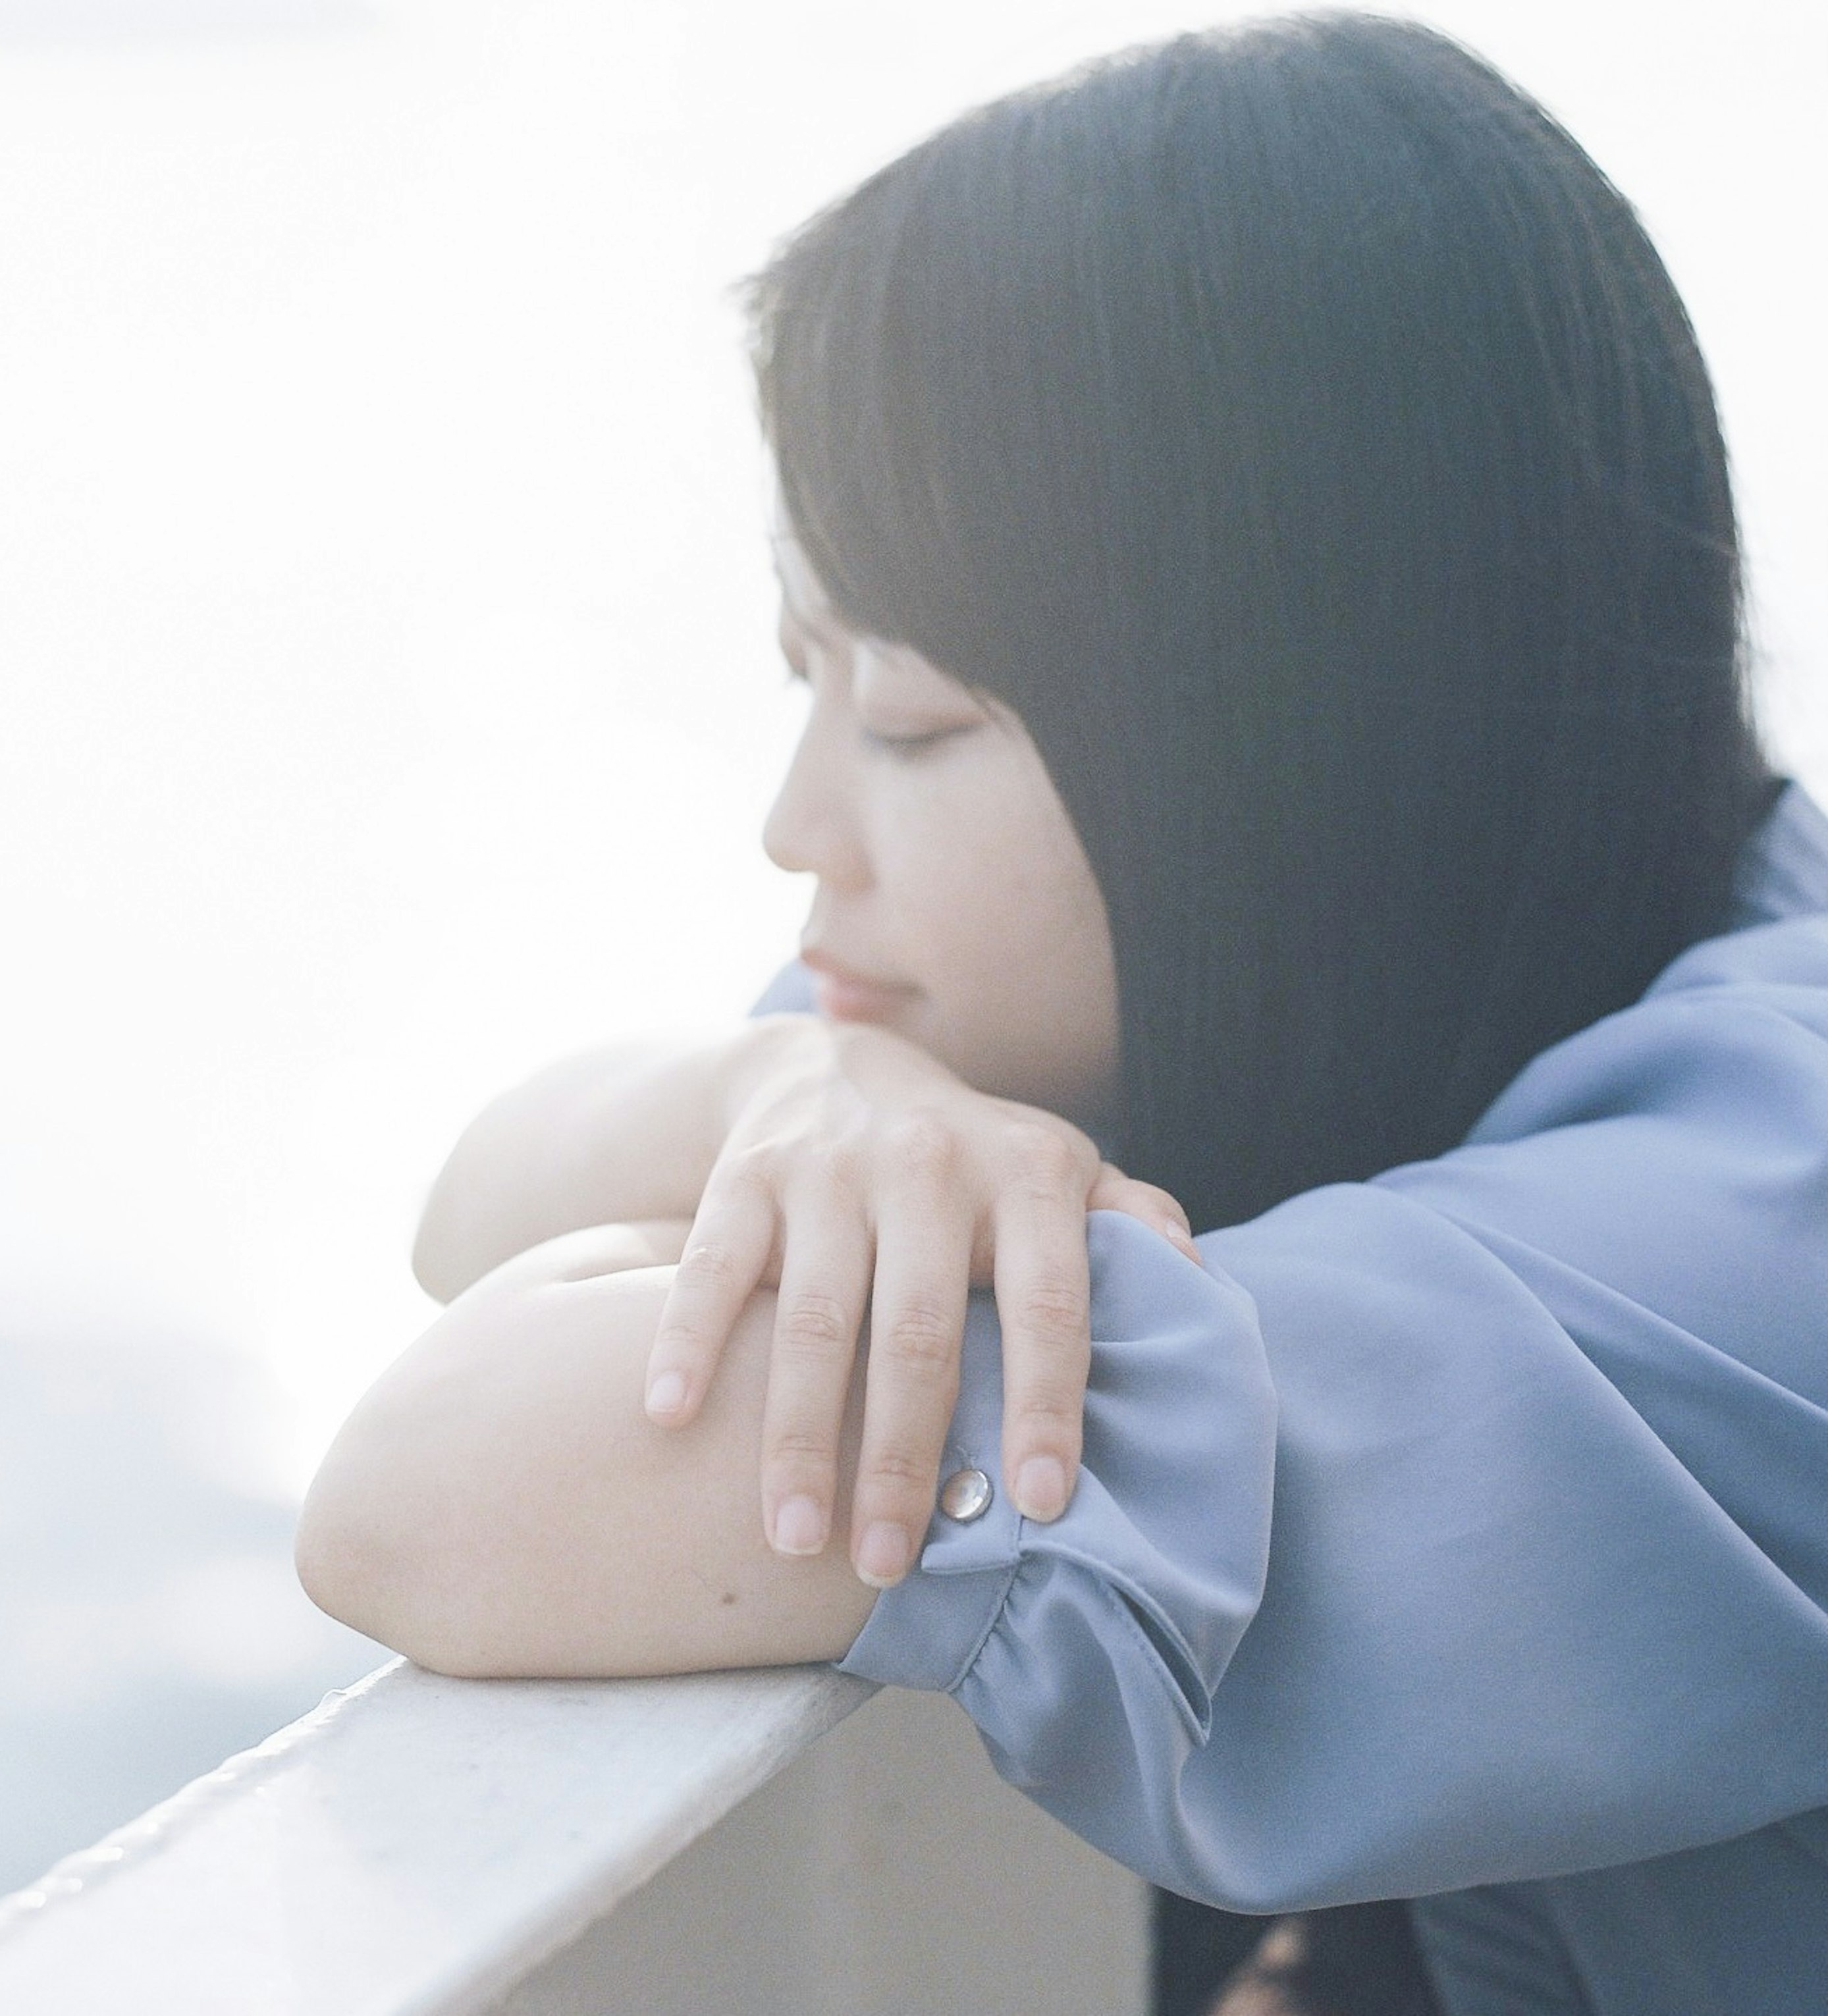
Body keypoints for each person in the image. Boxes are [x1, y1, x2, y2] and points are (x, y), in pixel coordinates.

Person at [294, 15, 1828, 2014]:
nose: (797, 826)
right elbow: (469, 1207)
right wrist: (795, 1075)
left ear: (1295, 739)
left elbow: (440, 1494)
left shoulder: (1748, 1241)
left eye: (916, 717)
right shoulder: (1333, 973)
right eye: (802, 679)